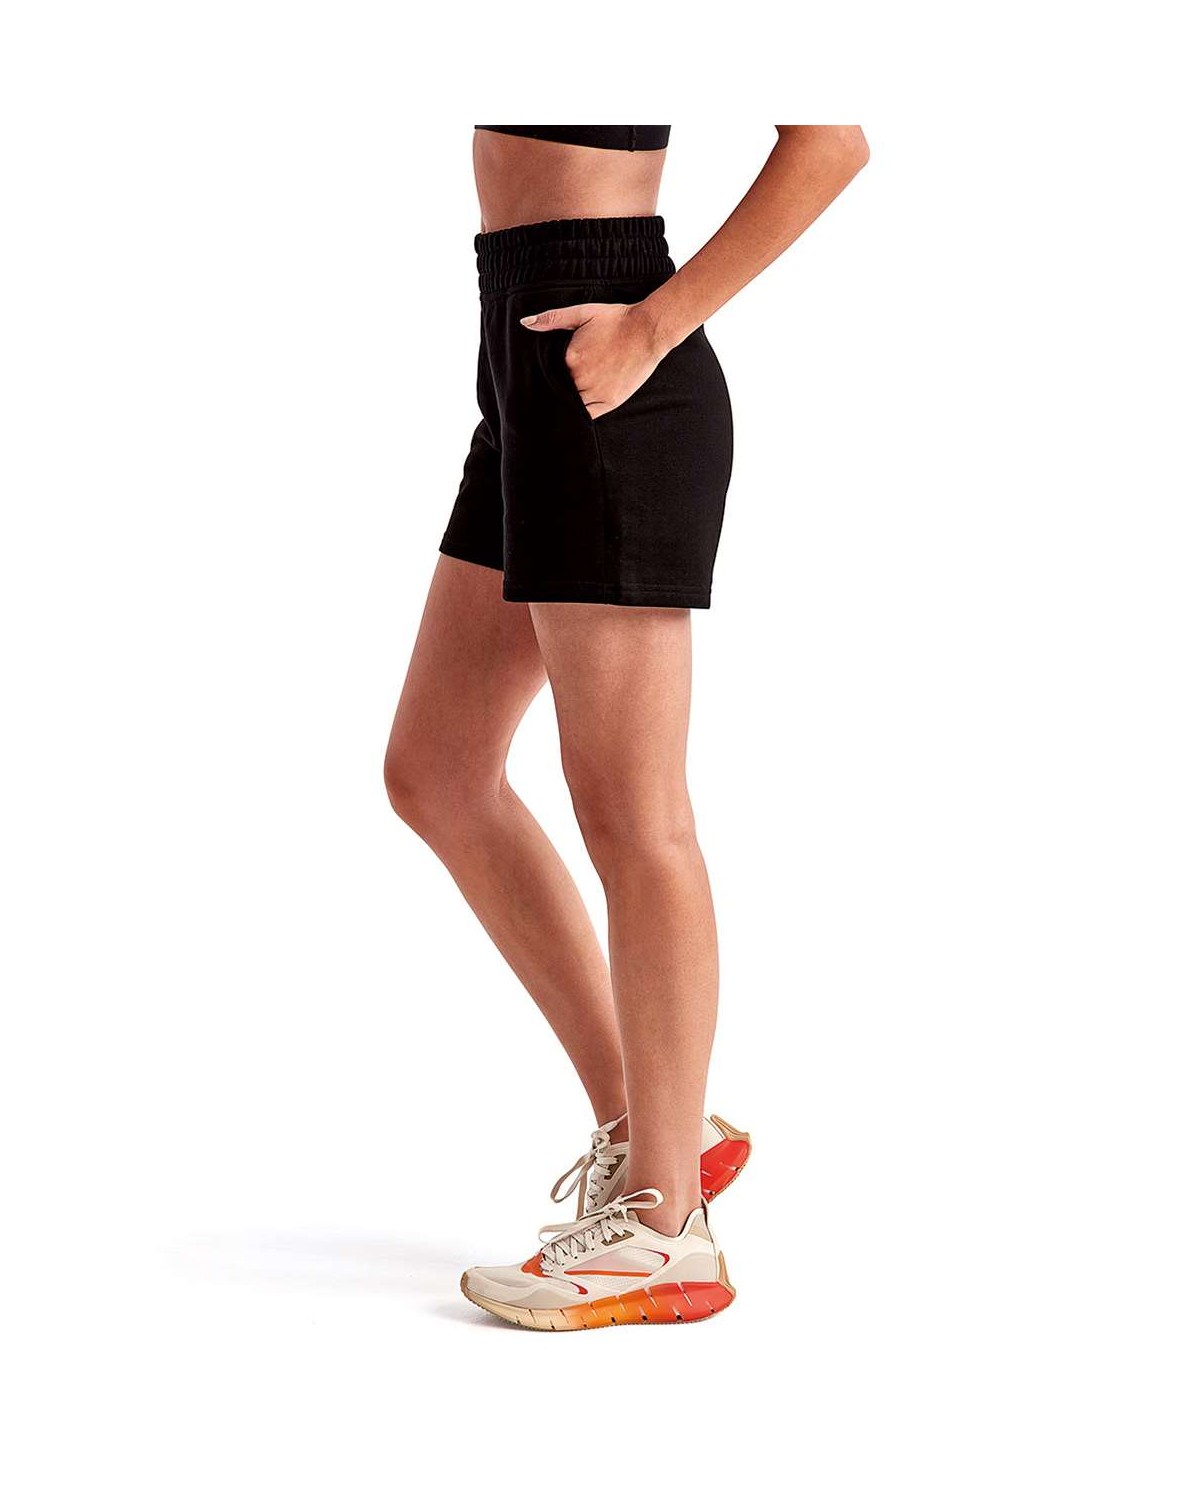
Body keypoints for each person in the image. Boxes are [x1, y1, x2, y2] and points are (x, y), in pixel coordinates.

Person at [385, 125, 869, 1330]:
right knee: (438, 770)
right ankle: (661, 1127)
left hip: (609, 361)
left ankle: (666, 1233)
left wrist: (652, 327)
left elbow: (833, 141)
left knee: (634, 815)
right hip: (524, 358)